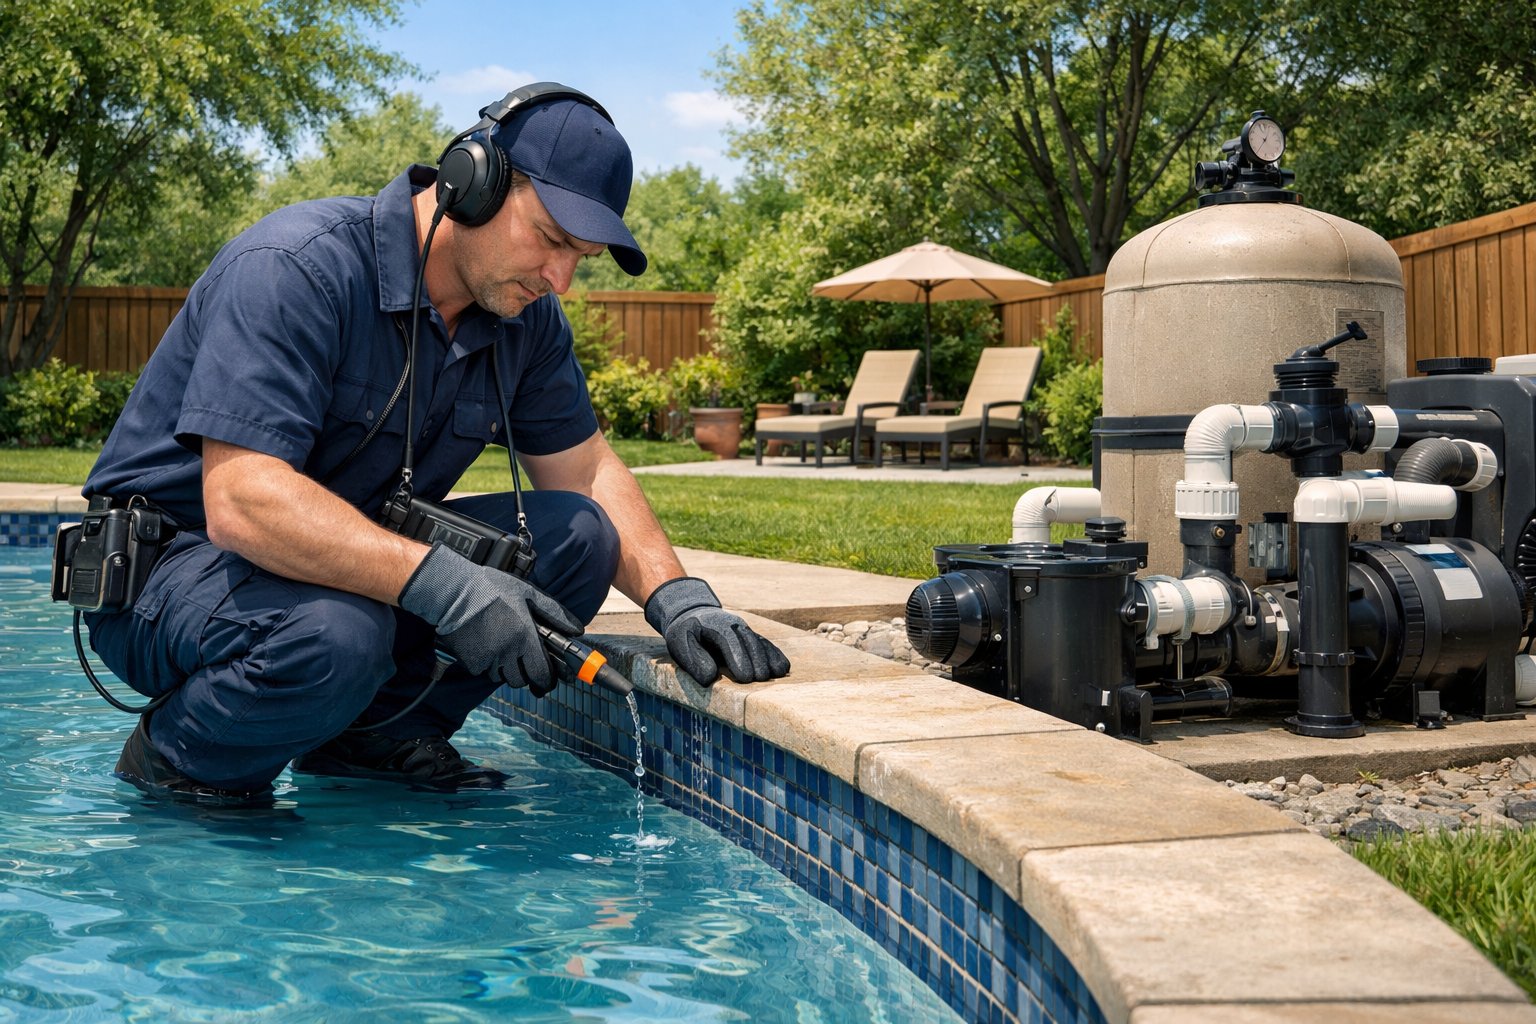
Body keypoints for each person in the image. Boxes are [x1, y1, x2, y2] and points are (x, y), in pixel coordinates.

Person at [79, 84, 790, 805]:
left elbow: (585, 469)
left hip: (337, 574)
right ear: (472, 183)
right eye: (549, 240)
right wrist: (448, 589)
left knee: (577, 538)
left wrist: (679, 598)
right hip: (173, 572)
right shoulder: (295, 266)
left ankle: (373, 740)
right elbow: (242, 502)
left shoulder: (526, 321)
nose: (561, 281)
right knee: (337, 637)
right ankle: (181, 763)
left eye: (583, 257)